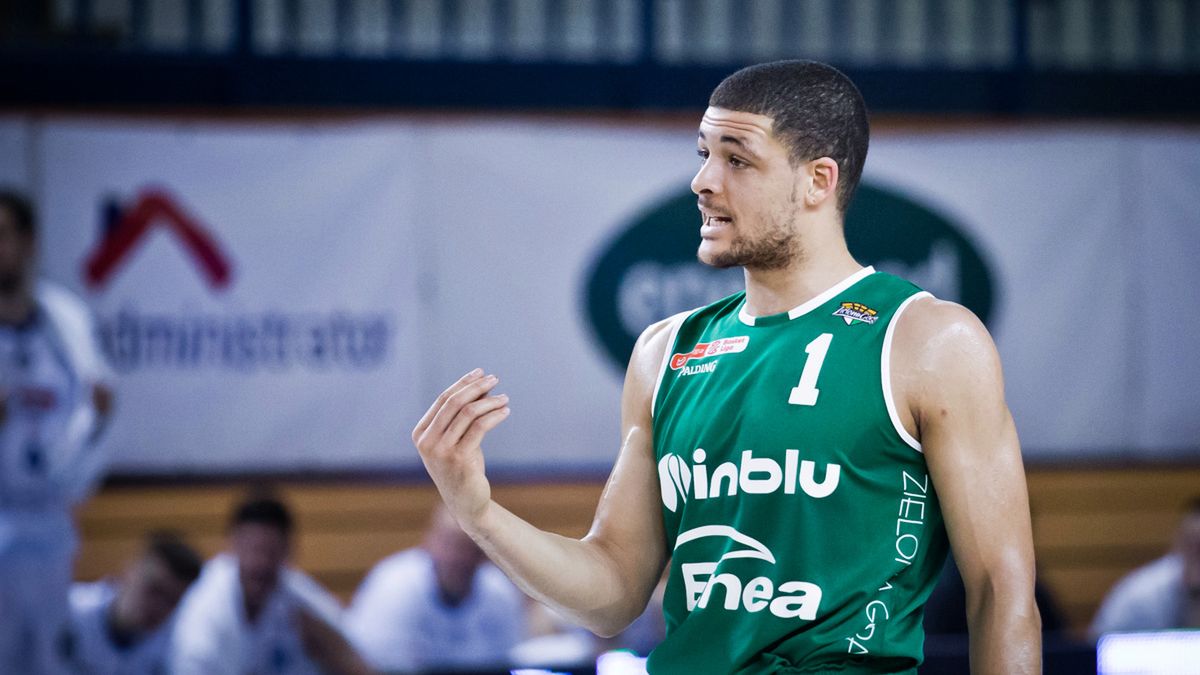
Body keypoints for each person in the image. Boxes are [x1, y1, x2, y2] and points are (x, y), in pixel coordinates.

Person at [412, 60, 1042, 673]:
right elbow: (613, 592)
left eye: (736, 160)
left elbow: (1001, 595)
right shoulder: (664, 352)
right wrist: (479, 514)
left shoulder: (927, 339)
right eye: (703, 154)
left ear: (817, 181)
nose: (703, 181)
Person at [0, 188, 115, 674]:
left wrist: (93, 428)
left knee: (51, 661)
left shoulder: (66, 327)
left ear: (29, 242)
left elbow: (93, 418)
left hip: (49, 528)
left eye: (3, 235)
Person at [170, 494, 374, 675]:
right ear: (233, 544)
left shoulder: (296, 596)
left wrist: (329, 649)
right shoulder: (205, 610)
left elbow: (357, 659)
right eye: (253, 550)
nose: (260, 563)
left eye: (271, 552)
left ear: (288, 551)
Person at [343, 505, 526, 672]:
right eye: (449, 543)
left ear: (483, 553)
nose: (458, 557)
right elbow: (369, 666)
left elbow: (506, 664)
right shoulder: (393, 587)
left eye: (469, 547)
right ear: (429, 541)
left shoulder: (500, 592)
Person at [64, 530, 203, 674]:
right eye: (155, 590)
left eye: (172, 601)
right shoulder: (68, 613)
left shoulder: (175, 647)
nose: (159, 606)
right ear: (130, 572)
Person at [1090, 497, 1200, 637]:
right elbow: (1099, 644)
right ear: (1177, 541)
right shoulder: (1140, 593)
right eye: (1192, 545)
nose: (1196, 556)